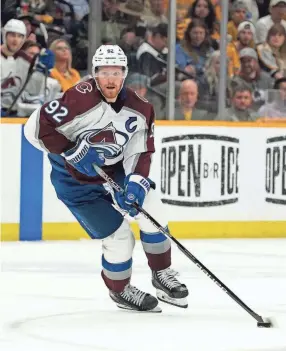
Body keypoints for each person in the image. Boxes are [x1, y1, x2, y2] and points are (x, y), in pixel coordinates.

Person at [24, 45, 189, 312]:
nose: (110, 79)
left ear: (124, 74)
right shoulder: (79, 98)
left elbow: (141, 150)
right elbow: (34, 128)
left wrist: (135, 182)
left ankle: (162, 274)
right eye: (103, 72)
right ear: (94, 74)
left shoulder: (141, 108)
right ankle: (120, 290)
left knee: (151, 207)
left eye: (116, 72)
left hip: (115, 172)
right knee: (120, 238)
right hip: (74, 182)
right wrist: (70, 149)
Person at [1, 19, 55, 116]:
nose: (16, 40)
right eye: (12, 35)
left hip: (15, 113)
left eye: (20, 36)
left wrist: (42, 71)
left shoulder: (25, 60)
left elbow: (34, 91)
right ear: (5, 35)